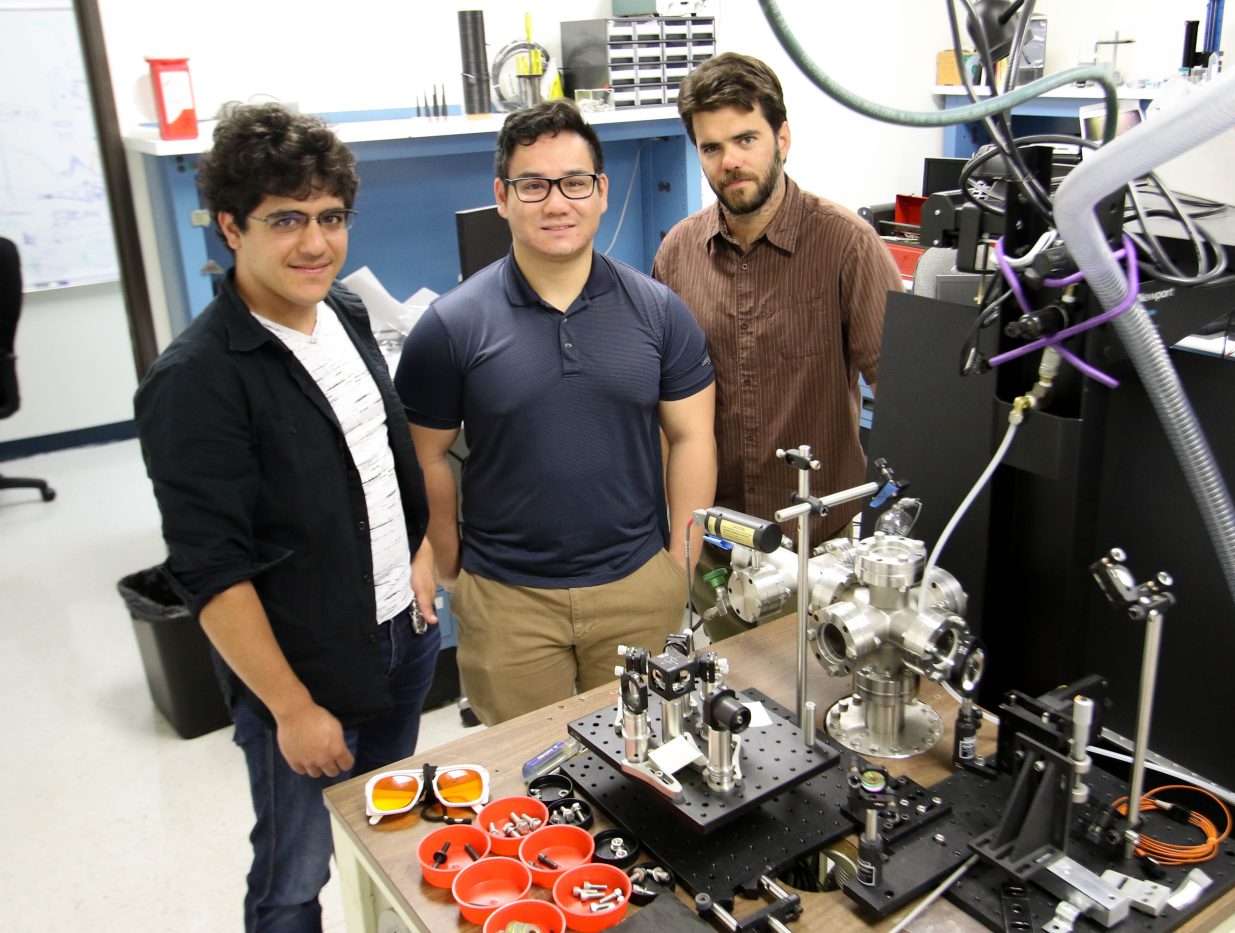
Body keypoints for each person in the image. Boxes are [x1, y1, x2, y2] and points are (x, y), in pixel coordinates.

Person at [134, 103, 439, 933]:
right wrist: (292, 707)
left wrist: (418, 550)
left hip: (400, 638)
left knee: (387, 842)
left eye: (331, 217)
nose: (315, 243)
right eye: (287, 220)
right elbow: (210, 569)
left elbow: (377, 460)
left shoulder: (342, 312)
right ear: (232, 227)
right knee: (294, 874)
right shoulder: (195, 379)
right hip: (306, 672)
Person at [395, 99, 716, 726]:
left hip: (637, 589)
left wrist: (681, 560)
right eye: (532, 185)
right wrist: (452, 566)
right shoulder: (450, 326)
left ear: (600, 192)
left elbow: (692, 435)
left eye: (573, 182)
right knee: (531, 784)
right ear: (502, 196)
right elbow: (424, 453)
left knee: (641, 764)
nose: (555, 202)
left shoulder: (659, 312)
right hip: (509, 601)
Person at [652, 52, 902, 641]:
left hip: (822, 549)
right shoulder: (678, 254)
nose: (729, 161)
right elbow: (663, 410)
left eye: (746, 138)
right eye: (710, 148)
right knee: (728, 710)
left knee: (817, 708)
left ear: (782, 137)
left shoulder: (847, 246)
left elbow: (905, 392)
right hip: (718, 545)